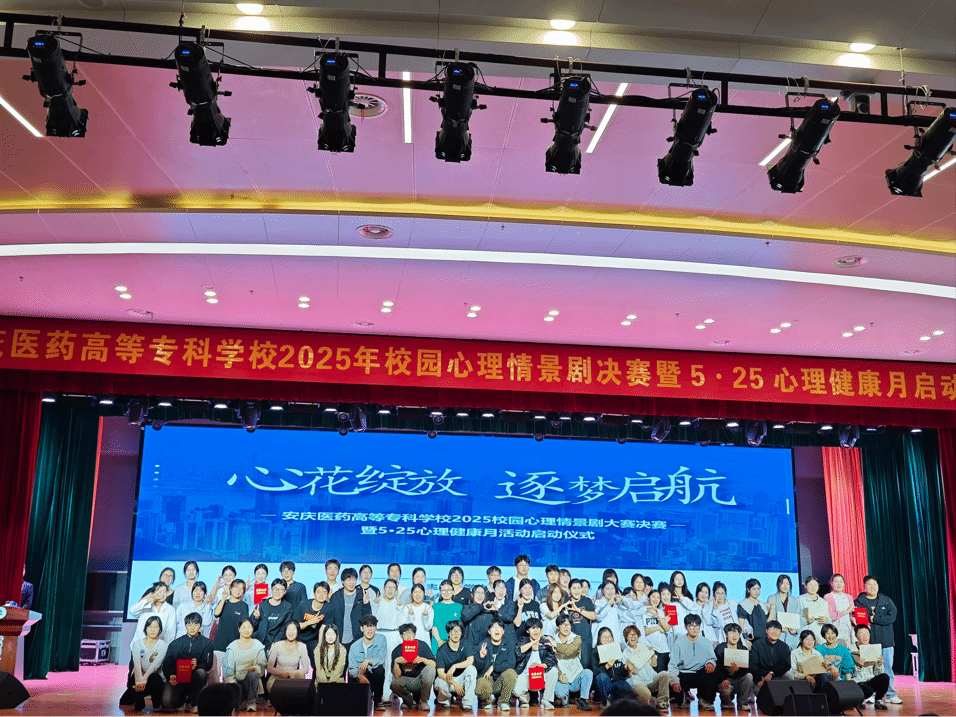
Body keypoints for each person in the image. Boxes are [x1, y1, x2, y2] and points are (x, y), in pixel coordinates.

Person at [855, 575, 902, 704]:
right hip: (868, 642)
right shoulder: (859, 602)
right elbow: (858, 620)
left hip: (886, 641)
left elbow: (892, 617)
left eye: (874, 584)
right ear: (864, 586)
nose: (872, 587)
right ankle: (871, 693)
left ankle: (891, 694)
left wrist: (875, 619)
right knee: (869, 668)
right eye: (869, 584)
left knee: (887, 668)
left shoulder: (886, 600)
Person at [161, 612, 214, 713]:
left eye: (196, 624)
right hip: (178, 678)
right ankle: (182, 700)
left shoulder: (207, 643)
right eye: (189, 624)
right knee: (167, 703)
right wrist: (171, 675)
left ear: (200, 625)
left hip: (196, 679)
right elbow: (167, 665)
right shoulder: (176, 643)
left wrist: (196, 666)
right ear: (185, 625)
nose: (192, 628)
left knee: (201, 673)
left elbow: (208, 664)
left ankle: (195, 703)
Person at [667, 614, 717, 711]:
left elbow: (712, 658)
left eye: (697, 626)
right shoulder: (678, 643)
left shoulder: (706, 642)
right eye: (691, 626)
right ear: (686, 627)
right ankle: (682, 696)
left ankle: (704, 700)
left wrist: (710, 663)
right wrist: (674, 681)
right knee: (679, 702)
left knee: (713, 672)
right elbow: (672, 665)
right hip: (684, 674)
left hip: (700, 673)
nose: (694, 628)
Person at [122, 616, 167, 713]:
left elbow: (155, 666)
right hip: (138, 678)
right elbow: (137, 665)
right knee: (134, 705)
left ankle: (156, 704)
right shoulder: (137, 644)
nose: (152, 630)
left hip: (152, 679)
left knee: (155, 678)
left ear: (160, 629)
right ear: (145, 628)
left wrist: (143, 681)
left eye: (156, 627)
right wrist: (139, 682)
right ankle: (137, 699)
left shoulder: (163, 645)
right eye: (150, 627)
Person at [514, 618, 559, 710]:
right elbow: (518, 653)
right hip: (526, 675)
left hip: (540, 675)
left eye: (538, 628)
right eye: (533, 628)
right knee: (516, 688)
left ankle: (546, 700)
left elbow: (552, 660)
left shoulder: (545, 642)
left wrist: (540, 666)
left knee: (554, 670)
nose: (536, 631)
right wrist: (532, 643)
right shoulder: (523, 640)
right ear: (527, 631)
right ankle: (524, 701)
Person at [223, 618, 267, 713]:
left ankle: (251, 703)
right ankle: (236, 700)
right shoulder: (232, 646)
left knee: (253, 675)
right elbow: (228, 669)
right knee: (234, 704)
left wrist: (255, 668)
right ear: (239, 629)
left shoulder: (258, 645)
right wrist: (233, 684)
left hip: (251, 682)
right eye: (243, 627)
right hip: (235, 683)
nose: (246, 630)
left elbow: (262, 665)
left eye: (249, 627)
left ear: (253, 629)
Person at [474, 617, 519, 710]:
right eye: (493, 627)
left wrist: (494, 667)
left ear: (503, 631)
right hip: (486, 679)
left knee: (511, 673)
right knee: (481, 684)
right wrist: (481, 658)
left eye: (499, 627)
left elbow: (511, 664)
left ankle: (503, 702)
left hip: (500, 679)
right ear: (489, 631)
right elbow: (477, 669)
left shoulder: (509, 644)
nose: (497, 630)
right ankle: (486, 702)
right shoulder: (483, 645)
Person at [390, 623, 437, 711]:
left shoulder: (422, 645)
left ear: (415, 635)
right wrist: (396, 662)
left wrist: (423, 660)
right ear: (401, 636)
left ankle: (424, 701)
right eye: (405, 633)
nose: (408, 636)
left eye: (411, 633)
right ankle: (407, 700)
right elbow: (396, 676)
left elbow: (434, 664)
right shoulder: (396, 651)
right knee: (394, 684)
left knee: (430, 669)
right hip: (406, 681)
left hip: (420, 680)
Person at [553, 613, 594, 711]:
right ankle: (563, 698)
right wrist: (559, 675)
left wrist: (556, 646)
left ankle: (583, 700)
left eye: (568, 624)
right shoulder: (553, 639)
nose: (566, 627)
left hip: (576, 676)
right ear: (558, 626)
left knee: (588, 673)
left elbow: (569, 650)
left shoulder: (577, 638)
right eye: (563, 624)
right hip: (562, 677)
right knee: (561, 693)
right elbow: (552, 661)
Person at [212, 579, 250, 684]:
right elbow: (216, 613)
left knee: (230, 678)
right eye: (236, 587)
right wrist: (224, 598)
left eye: (241, 589)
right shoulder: (224, 602)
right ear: (231, 588)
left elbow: (244, 625)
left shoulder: (243, 605)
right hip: (220, 644)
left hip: (235, 646)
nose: (238, 590)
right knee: (215, 675)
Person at [434, 619, 477, 710]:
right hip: (448, 680)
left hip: (462, 679)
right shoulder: (442, 650)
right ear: (448, 633)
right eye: (453, 631)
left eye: (458, 631)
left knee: (472, 669)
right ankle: (445, 701)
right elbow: (440, 673)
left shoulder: (466, 643)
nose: (456, 634)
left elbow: (470, 661)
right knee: (439, 682)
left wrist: (455, 666)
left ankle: (467, 703)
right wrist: (454, 683)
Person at [623, 625, 669, 710]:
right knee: (646, 695)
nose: (633, 637)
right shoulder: (625, 652)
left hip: (650, 679)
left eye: (635, 634)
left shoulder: (644, 646)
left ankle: (662, 702)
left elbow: (654, 664)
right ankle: (635, 701)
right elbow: (628, 674)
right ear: (626, 637)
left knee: (665, 674)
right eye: (630, 635)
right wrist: (629, 669)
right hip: (637, 682)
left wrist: (652, 654)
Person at [328, 567, 372, 649]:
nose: (352, 582)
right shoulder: (336, 596)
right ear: (342, 582)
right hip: (339, 637)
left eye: (354, 579)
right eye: (349, 580)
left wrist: (366, 604)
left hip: (357, 638)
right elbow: (330, 618)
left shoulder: (361, 595)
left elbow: (367, 617)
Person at [349, 615, 388, 707]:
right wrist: (359, 676)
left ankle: (378, 700)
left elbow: (381, 659)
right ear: (362, 628)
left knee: (379, 670)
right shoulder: (354, 646)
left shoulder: (381, 639)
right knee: (351, 680)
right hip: (359, 675)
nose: (370, 630)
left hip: (373, 675)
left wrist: (368, 661)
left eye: (372, 626)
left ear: (376, 628)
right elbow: (351, 668)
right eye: (367, 626)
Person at [713, 623, 754, 710]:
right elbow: (716, 668)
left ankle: (742, 703)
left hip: (737, 680)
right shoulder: (720, 648)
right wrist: (723, 678)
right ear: (726, 635)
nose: (734, 636)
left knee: (749, 676)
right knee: (725, 687)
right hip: (724, 680)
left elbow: (748, 668)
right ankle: (725, 702)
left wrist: (738, 670)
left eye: (737, 633)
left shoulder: (743, 649)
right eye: (731, 632)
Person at [851, 624, 891, 709]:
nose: (865, 636)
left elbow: (878, 673)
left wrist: (879, 664)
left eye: (867, 634)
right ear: (856, 636)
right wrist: (859, 666)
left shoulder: (873, 649)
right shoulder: (850, 650)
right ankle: (859, 700)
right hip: (858, 681)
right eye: (861, 634)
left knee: (885, 677)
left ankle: (879, 700)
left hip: (869, 680)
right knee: (866, 689)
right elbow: (850, 673)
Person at [294, 581, 332, 668]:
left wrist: (319, 646)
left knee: (318, 663)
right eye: (319, 592)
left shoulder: (329, 608)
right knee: (293, 663)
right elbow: (295, 626)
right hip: (299, 637)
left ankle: (316, 677)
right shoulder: (303, 605)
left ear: (327, 595)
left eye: (324, 592)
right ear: (314, 593)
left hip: (313, 639)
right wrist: (309, 622)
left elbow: (323, 627)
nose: (321, 595)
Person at [751, 620, 795, 692]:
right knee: (761, 695)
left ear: (780, 632)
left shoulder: (784, 646)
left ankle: (785, 695)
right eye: (772, 629)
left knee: (789, 675)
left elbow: (786, 665)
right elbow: (753, 665)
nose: (775, 632)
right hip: (761, 677)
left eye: (778, 630)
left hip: (777, 675)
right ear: (766, 630)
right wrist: (758, 680)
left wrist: (772, 673)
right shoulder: (757, 645)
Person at [593, 626, 632, 706]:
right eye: (604, 637)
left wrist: (626, 669)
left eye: (609, 636)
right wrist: (607, 666)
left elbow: (622, 673)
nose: (607, 639)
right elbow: (595, 673)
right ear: (599, 638)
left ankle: (613, 701)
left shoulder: (616, 649)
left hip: (617, 681)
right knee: (602, 677)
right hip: (604, 683)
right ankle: (604, 702)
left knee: (626, 687)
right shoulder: (594, 652)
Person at [130, 582, 177, 648]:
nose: (162, 594)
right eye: (159, 592)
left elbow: (171, 631)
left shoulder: (170, 609)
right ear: (153, 592)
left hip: (158, 647)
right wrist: (146, 600)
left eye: (164, 592)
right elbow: (132, 611)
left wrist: (166, 647)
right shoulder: (146, 605)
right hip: (140, 645)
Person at [251, 578, 293, 651]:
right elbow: (251, 626)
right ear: (271, 590)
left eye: (281, 589)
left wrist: (276, 642)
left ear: (285, 592)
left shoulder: (287, 607)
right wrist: (255, 618)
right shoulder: (262, 605)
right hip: (258, 643)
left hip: (275, 644)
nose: (277, 592)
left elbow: (285, 628)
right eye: (275, 589)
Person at [267, 621, 310, 691]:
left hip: (294, 677)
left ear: (297, 631)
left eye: (294, 629)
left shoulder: (302, 646)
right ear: (285, 631)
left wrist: (292, 673)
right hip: (277, 677)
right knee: (277, 687)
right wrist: (281, 673)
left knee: (300, 677)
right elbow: (269, 668)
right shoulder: (277, 645)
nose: (291, 632)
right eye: (289, 629)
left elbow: (306, 669)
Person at [594, 580, 637, 646]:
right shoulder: (597, 603)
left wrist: (623, 598)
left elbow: (631, 615)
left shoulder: (617, 606)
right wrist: (609, 603)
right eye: (608, 589)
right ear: (602, 590)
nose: (610, 591)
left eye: (612, 589)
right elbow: (598, 617)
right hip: (600, 642)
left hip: (614, 641)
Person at [639, 589, 671, 673]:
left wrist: (658, 616)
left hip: (664, 649)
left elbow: (666, 629)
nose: (655, 599)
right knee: (654, 676)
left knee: (664, 676)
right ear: (648, 598)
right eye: (653, 597)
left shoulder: (662, 612)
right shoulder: (644, 613)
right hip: (652, 650)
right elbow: (644, 631)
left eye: (658, 597)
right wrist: (658, 628)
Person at [568, 578, 596, 669]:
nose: (577, 591)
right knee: (572, 666)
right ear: (569, 590)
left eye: (579, 588)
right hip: (571, 639)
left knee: (585, 664)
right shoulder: (566, 602)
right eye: (574, 588)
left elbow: (593, 616)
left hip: (585, 639)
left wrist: (578, 610)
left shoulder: (587, 601)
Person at [768, 575, 799, 649]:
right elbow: (770, 618)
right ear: (778, 584)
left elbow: (799, 617)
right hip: (777, 635)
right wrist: (778, 627)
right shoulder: (771, 598)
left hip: (791, 636)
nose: (785, 586)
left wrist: (796, 631)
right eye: (782, 583)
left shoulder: (795, 600)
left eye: (787, 584)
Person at [430, 579, 463, 652]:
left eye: (449, 590)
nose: (446, 592)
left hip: (455, 644)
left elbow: (460, 627)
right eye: (443, 590)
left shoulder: (459, 607)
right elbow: (433, 626)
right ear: (440, 592)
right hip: (438, 643)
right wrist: (439, 641)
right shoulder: (435, 607)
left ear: (453, 591)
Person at [461, 584, 494, 654]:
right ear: (472, 595)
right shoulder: (467, 608)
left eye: (482, 593)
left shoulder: (489, 611)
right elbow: (466, 616)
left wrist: (496, 611)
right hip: (469, 648)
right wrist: (481, 607)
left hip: (484, 648)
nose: (480, 595)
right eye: (478, 593)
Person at [824, 574, 855, 648]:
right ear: (831, 583)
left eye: (841, 582)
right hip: (835, 630)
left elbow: (852, 615)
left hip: (848, 630)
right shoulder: (828, 597)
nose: (839, 584)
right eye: (836, 582)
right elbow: (832, 616)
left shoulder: (849, 597)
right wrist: (847, 611)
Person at [798, 575, 828, 645]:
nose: (813, 587)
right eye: (811, 585)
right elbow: (796, 619)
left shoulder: (823, 602)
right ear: (805, 586)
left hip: (820, 635)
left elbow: (829, 619)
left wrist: (826, 620)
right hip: (806, 633)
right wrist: (806, 621)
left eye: (815, 585)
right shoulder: (800, 600)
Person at [737, 579, 768, 644]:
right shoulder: (742, 604)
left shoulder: (763, 604)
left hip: (765, 638)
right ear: (748, 590)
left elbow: (768, 621)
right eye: (754, 589)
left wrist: (772, 609)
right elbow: (741, 625)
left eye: (758, 589)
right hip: (751, 639)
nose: (757, 591)